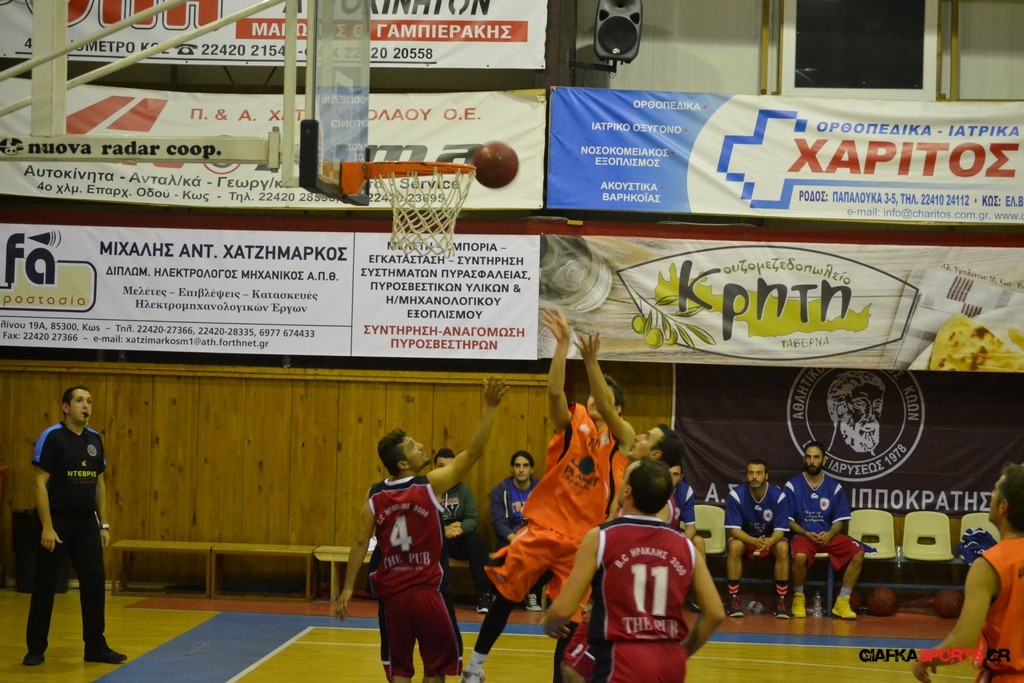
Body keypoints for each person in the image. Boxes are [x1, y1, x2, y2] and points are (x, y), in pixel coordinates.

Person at [461, 310, 634, 683]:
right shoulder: (573, 423)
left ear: (616, 408)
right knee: (507, 596)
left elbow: (606, 407)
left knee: (565, 620)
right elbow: (555, 392)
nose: (593, 398)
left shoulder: (623, 439)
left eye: (602, 395)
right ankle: (474, 667)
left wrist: (592, 363)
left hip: (584, 542)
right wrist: (562, 345)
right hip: (545, 529)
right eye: (591, 392)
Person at [335, 377, 507, 683]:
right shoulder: (429, 485)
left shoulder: (374, 494)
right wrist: (490, 406)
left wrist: (348, 588)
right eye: (414, 447)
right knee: (436, 669)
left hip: (393, 598)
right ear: (403, 464)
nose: (422, 447)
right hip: (428, 593)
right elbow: (474, 453)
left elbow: (361, 541)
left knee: (399, 670)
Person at [540, 459, 725, 682]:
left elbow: (563, 610)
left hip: (622, 657)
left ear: (627, 491)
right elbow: (715, 613)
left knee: (572, 668)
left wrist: (549, 624)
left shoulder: (601, 537)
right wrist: (683, 652)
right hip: (670, 661)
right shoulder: (686, 546)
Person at [23, 386, 126, 667]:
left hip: (86, 525)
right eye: (79, 401)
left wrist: (103, 524)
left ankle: (95, 646)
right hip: (57, 522)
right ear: (65, 407)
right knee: (45, 585)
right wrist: (47, 526)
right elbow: (39, 483)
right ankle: (35, 648)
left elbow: (100, 484)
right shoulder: (52, 437)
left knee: (94, 584)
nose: (86, 406)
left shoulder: (94, 439)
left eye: (89, 401)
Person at [912, 462, 1024, 682]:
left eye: (995, 490)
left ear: (1003, 507)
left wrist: (929, 658)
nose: (990, 496)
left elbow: (962, 644)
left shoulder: (989, 565)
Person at [785, 440, 864, 620]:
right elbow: (787, 520)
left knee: (858, 552)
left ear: (824, 460)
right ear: (804, 459)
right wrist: (805, 532)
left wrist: (830, 533)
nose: (812, 461)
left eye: (816, 457)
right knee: (800, 557)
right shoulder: (792, 485)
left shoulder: (834, 487)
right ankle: (799, 597)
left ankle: (842, 601)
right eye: (808, 457)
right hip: (804, 536)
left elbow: (839, 521)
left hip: (827, 536)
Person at [724, 459, 792, 618]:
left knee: (783, 547)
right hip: (746, 538)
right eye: (751, 473)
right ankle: (733, 597)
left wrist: (770, 541)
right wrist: (754, 541)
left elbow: (780, 531)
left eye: (759, 473)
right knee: (734, 546)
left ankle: (781, 600)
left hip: (770, 538)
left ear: (766, 476)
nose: (754, 477)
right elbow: (734, 530)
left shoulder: (778, 496)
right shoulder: (736, 495)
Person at [433, 447, 496, 614]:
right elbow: (421, 521)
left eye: (449, 467)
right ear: (434, 468)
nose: (445, 471)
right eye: (441, 466)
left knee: (476, 542)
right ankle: (436, 595)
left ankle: (484, 594)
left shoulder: (463, 490)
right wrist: (443, 529)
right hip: (435, 538)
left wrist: (459, 529)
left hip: (457, 537)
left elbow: (472, 519)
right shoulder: (428, 490)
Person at [489, 450, 544, 611]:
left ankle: (530, 592)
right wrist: (514, 538)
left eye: (525, 466)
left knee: (544, 553)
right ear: (512, 469)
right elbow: (498, 521)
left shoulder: (541, 490)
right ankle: (497, 593)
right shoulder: (500, 491)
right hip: (509, 538)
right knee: (499, 555)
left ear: (531, 469)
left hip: (532, 536)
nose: (521, 469)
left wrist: (527, 537)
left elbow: (544, 518)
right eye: (517, 466)